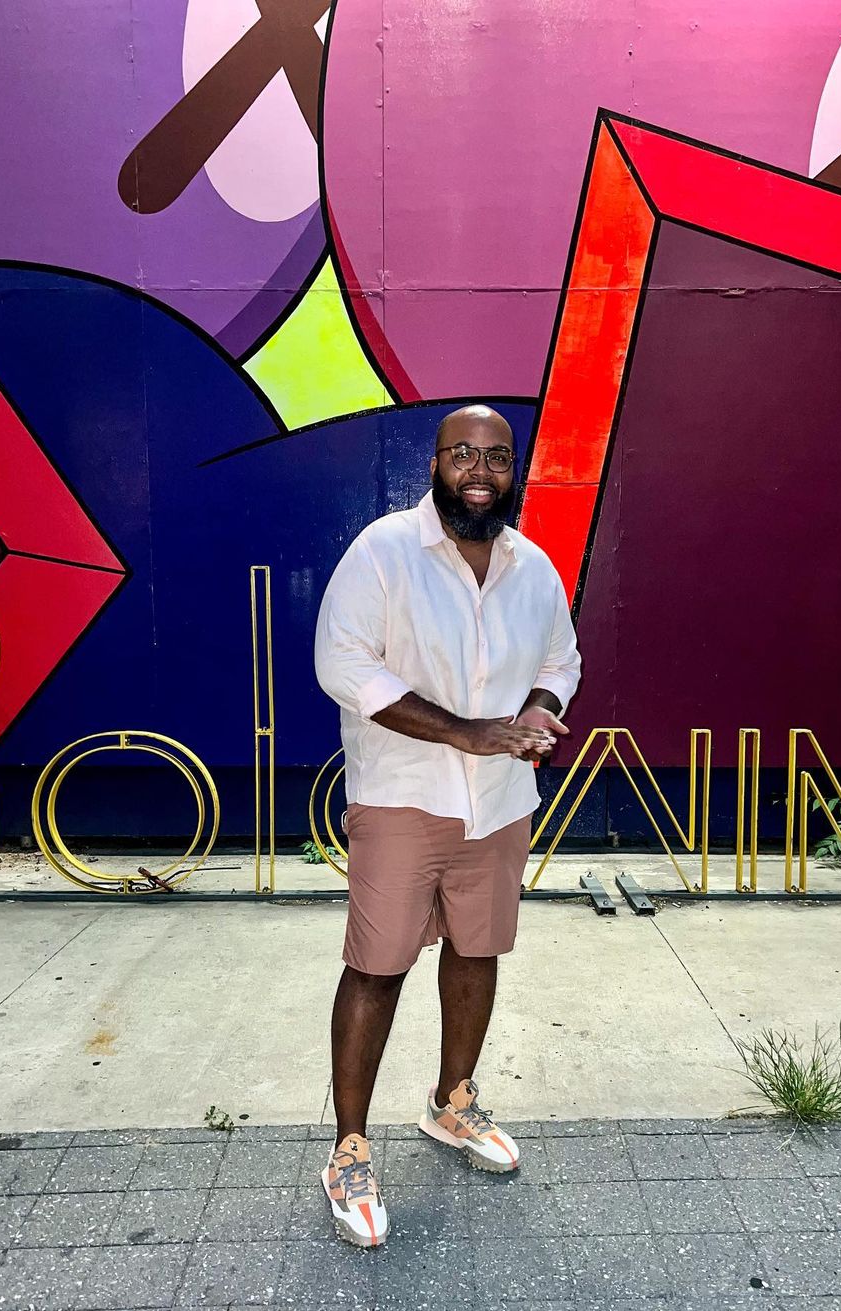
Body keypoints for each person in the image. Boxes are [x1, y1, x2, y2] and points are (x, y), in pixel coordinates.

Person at [313, 403, 582, 1247]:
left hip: (498, 800)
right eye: (462, 453)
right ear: (434, 463)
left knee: (477, 948)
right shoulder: (384, 551)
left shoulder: (533, 567)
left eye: (496, 457)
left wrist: (536, 709)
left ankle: (451, 1101)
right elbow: (341, 662)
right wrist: (464, 731)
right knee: (377, 965)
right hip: (403, 796)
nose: (479, 471)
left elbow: (561, 659)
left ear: (514, 470)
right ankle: (349, 1149)